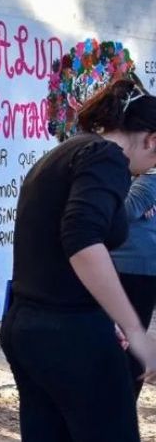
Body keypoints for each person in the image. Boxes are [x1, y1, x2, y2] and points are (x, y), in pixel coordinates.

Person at [1, 78, 156, 442]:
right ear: (151, 139)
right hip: (69, 333)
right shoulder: (108, 158)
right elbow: (82, 241)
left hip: (28, 325)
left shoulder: (67, 152)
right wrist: (135, 331)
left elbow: (58, 245)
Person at [114, 169, 156, 399]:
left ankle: (126, 399)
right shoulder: (141, 179)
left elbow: (126, 211)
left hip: (135, 269)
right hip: (130, 267)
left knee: (130, 337)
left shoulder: (149, 179)